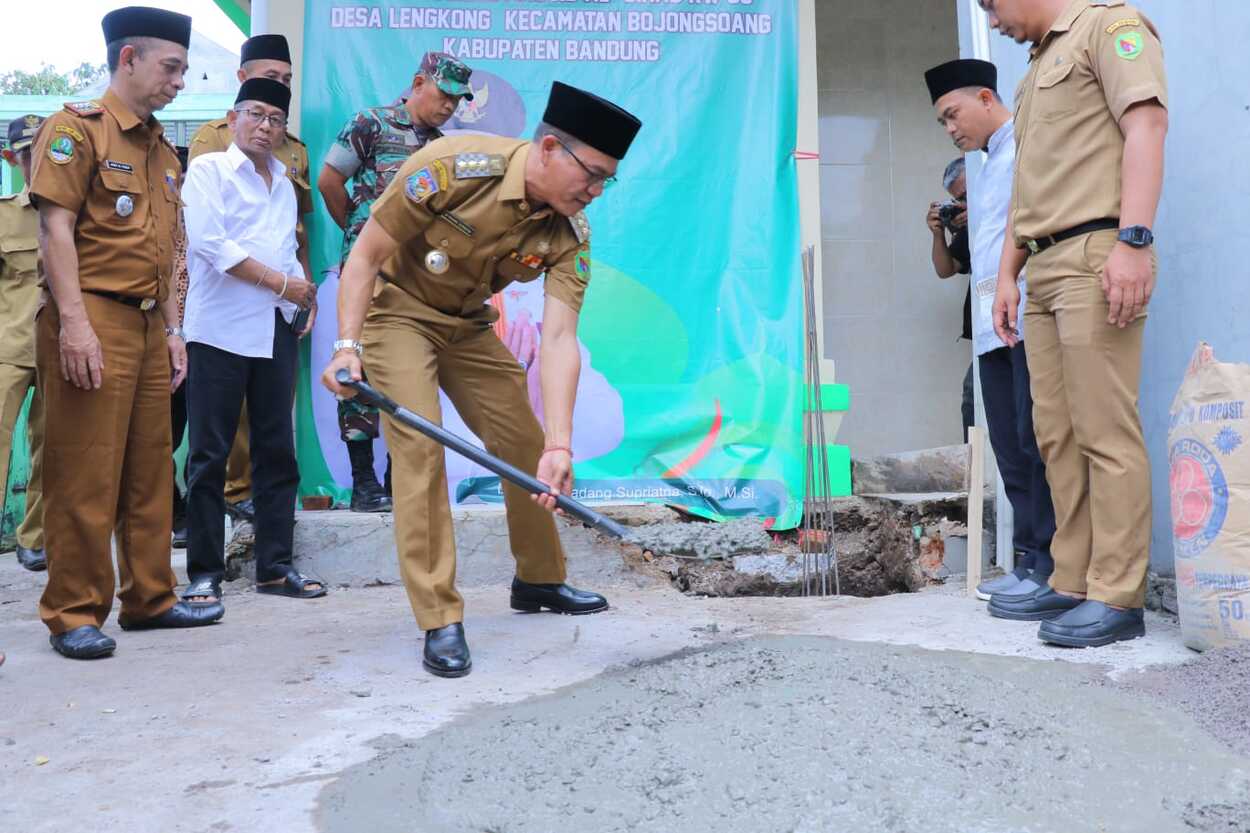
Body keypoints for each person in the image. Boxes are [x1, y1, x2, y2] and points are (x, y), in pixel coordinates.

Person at [321, 81, 641, 678]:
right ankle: (439, 616)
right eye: (591, 174)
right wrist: (347, 347)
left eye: (607, 181)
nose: (596, 192)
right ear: (548, 148)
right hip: (398, 313)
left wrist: (561, 444)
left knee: (523, 442)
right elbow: (363, 256)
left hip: (467, 326)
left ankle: (539, 580)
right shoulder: (453, 169)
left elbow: (559, 338)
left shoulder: (569, 233)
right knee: (420, 452)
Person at [29, 5, 224, 660]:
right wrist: (75, 323)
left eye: (184, 69)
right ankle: (73, 610)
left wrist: (174, 329)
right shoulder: (74, 131)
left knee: (149, 468)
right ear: (128, 59)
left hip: (147, 325)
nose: (180, 80)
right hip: (91, 315)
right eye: (170, 67)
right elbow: (54, 229)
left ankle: (150, 596)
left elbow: (170, 249)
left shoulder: (164, 150)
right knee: (84, 469)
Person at [984, 0, 1168, 647]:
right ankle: (1074, 578)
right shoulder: (1033, 70)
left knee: (1103, 429)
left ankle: (1118, 594)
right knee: (1055, 433)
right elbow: (1024, 188)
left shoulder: (1108, 28)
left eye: (990, 3)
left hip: (1097, 253)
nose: (991, 18)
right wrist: (1007, 273)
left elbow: (1145, 123)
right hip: (1042, 265)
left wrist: (1135, 239)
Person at [180, 78, 322, 607]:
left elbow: (287, 251)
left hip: (274, 330)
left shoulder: (285, 184)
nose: (265, 127)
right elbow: (212, 245)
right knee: (209, 455)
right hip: (218, 330)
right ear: (232, 118)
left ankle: (275, 567)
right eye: (256, 115)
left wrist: (297, 303)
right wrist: (285, 286)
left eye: (276, 119)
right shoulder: (209, 170)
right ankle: (203, 573)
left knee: (277, 452)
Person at [317, 51, 474, 513]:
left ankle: (396, 480)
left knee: (409, 374)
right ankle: (364, 483)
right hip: (366, 277)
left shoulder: (442, 147)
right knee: (355, 364)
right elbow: (329, 181)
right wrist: (358, 237)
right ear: (418, 82)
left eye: (456, 100)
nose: (449, 105)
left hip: (417, 278)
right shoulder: (370, 123)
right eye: (443, 94)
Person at [925, 59, 1057, 605]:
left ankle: (1051, 563)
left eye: (953, 115)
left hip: (1027, 320)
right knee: (1008, 446)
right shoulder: (982, 168)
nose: (952, 128)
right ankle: (1030, 561)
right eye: (942, 123)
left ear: (985, 97)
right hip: (989, 330)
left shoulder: (1028, 144)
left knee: (1035, 443)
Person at [0, 115, 47, 572]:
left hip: (59, 351)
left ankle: (33, 538)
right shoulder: (3, 215)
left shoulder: (74, 212)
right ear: (12, 159)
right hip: (7, 351)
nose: (40, 162)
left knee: (51, 450)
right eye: (29, 154)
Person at [927, 157, 974, 440]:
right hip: (987, 331)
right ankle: (978, 468)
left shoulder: (1004, 212)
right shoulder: (970, 228)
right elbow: (946, 269)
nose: (963, 206)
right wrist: (937, 234)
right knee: (973, 399)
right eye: (957, 201)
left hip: (1023, 321)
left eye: (967, 196)